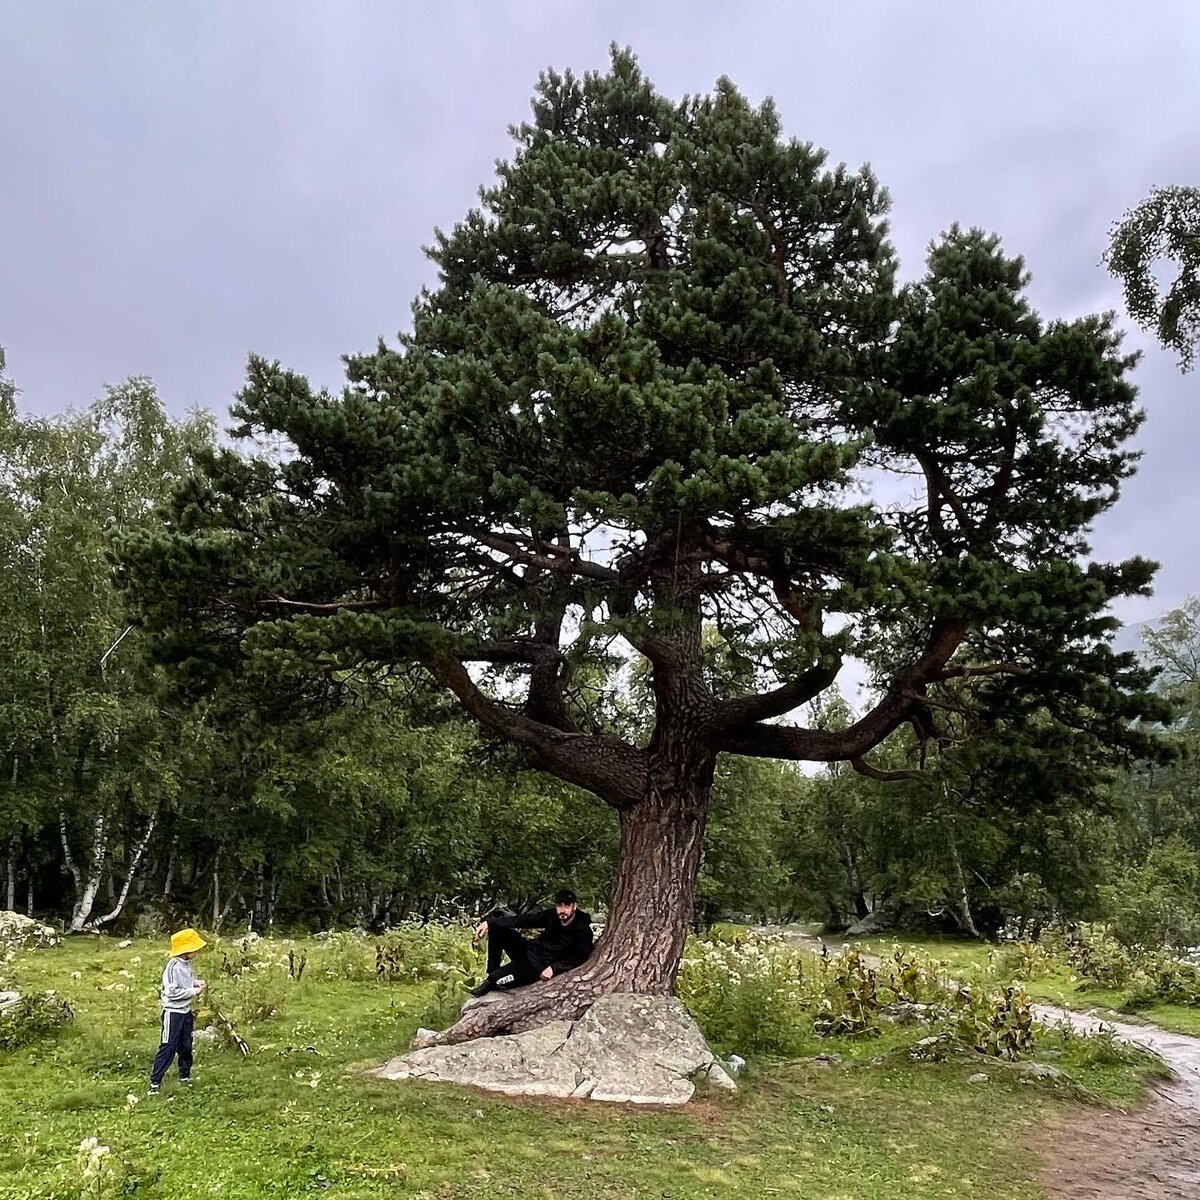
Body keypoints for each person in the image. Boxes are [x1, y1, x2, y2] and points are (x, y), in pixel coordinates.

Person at [469, 888, 593, 997]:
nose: (563, 910)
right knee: (497, 928)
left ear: (574, 907)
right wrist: (488, 923)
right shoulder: (552, 916)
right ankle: (492, 972)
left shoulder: (582, 930)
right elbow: (525, 920)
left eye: (567, 906)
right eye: (560, 906)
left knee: (496, 980)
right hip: (528, 950)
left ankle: (494, 978)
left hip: (536, 967)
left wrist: (554, 969)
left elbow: (581, 956)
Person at [149, 927, 207, 1094]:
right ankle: (155, 1083)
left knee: (185, 1045)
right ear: (186, 950)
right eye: (195, 948)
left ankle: (185, 1076)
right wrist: (193, 991)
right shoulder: (173, 966)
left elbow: (185, 983)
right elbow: (171, 992)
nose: (197, 951)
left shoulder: (186, 964)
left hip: (185, 1011)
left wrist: (195, 982)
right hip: (173, 1013)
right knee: (168, 1046)